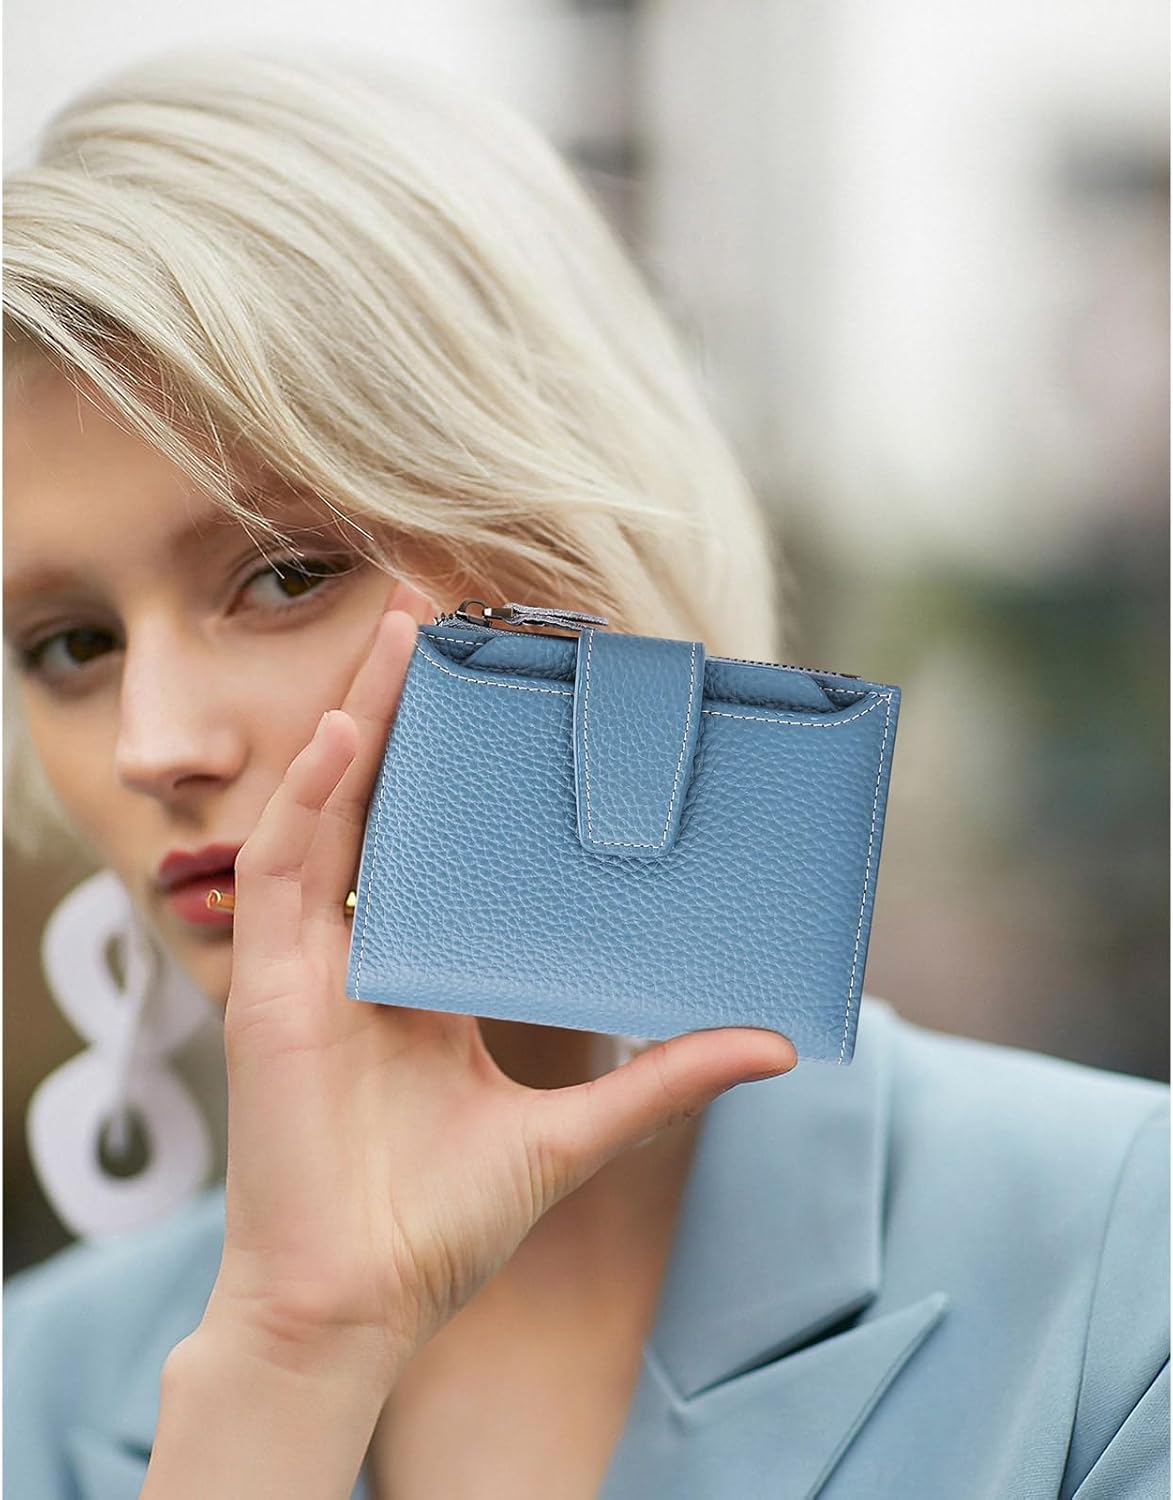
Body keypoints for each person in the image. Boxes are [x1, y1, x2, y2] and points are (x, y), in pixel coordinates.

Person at [2, 43, 1167, 1500]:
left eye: (286, 573)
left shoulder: (1121, 1265)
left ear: (571, 560)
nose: (152, 743)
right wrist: (289, 1368)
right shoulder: (32, 1394)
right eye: (69, 645)